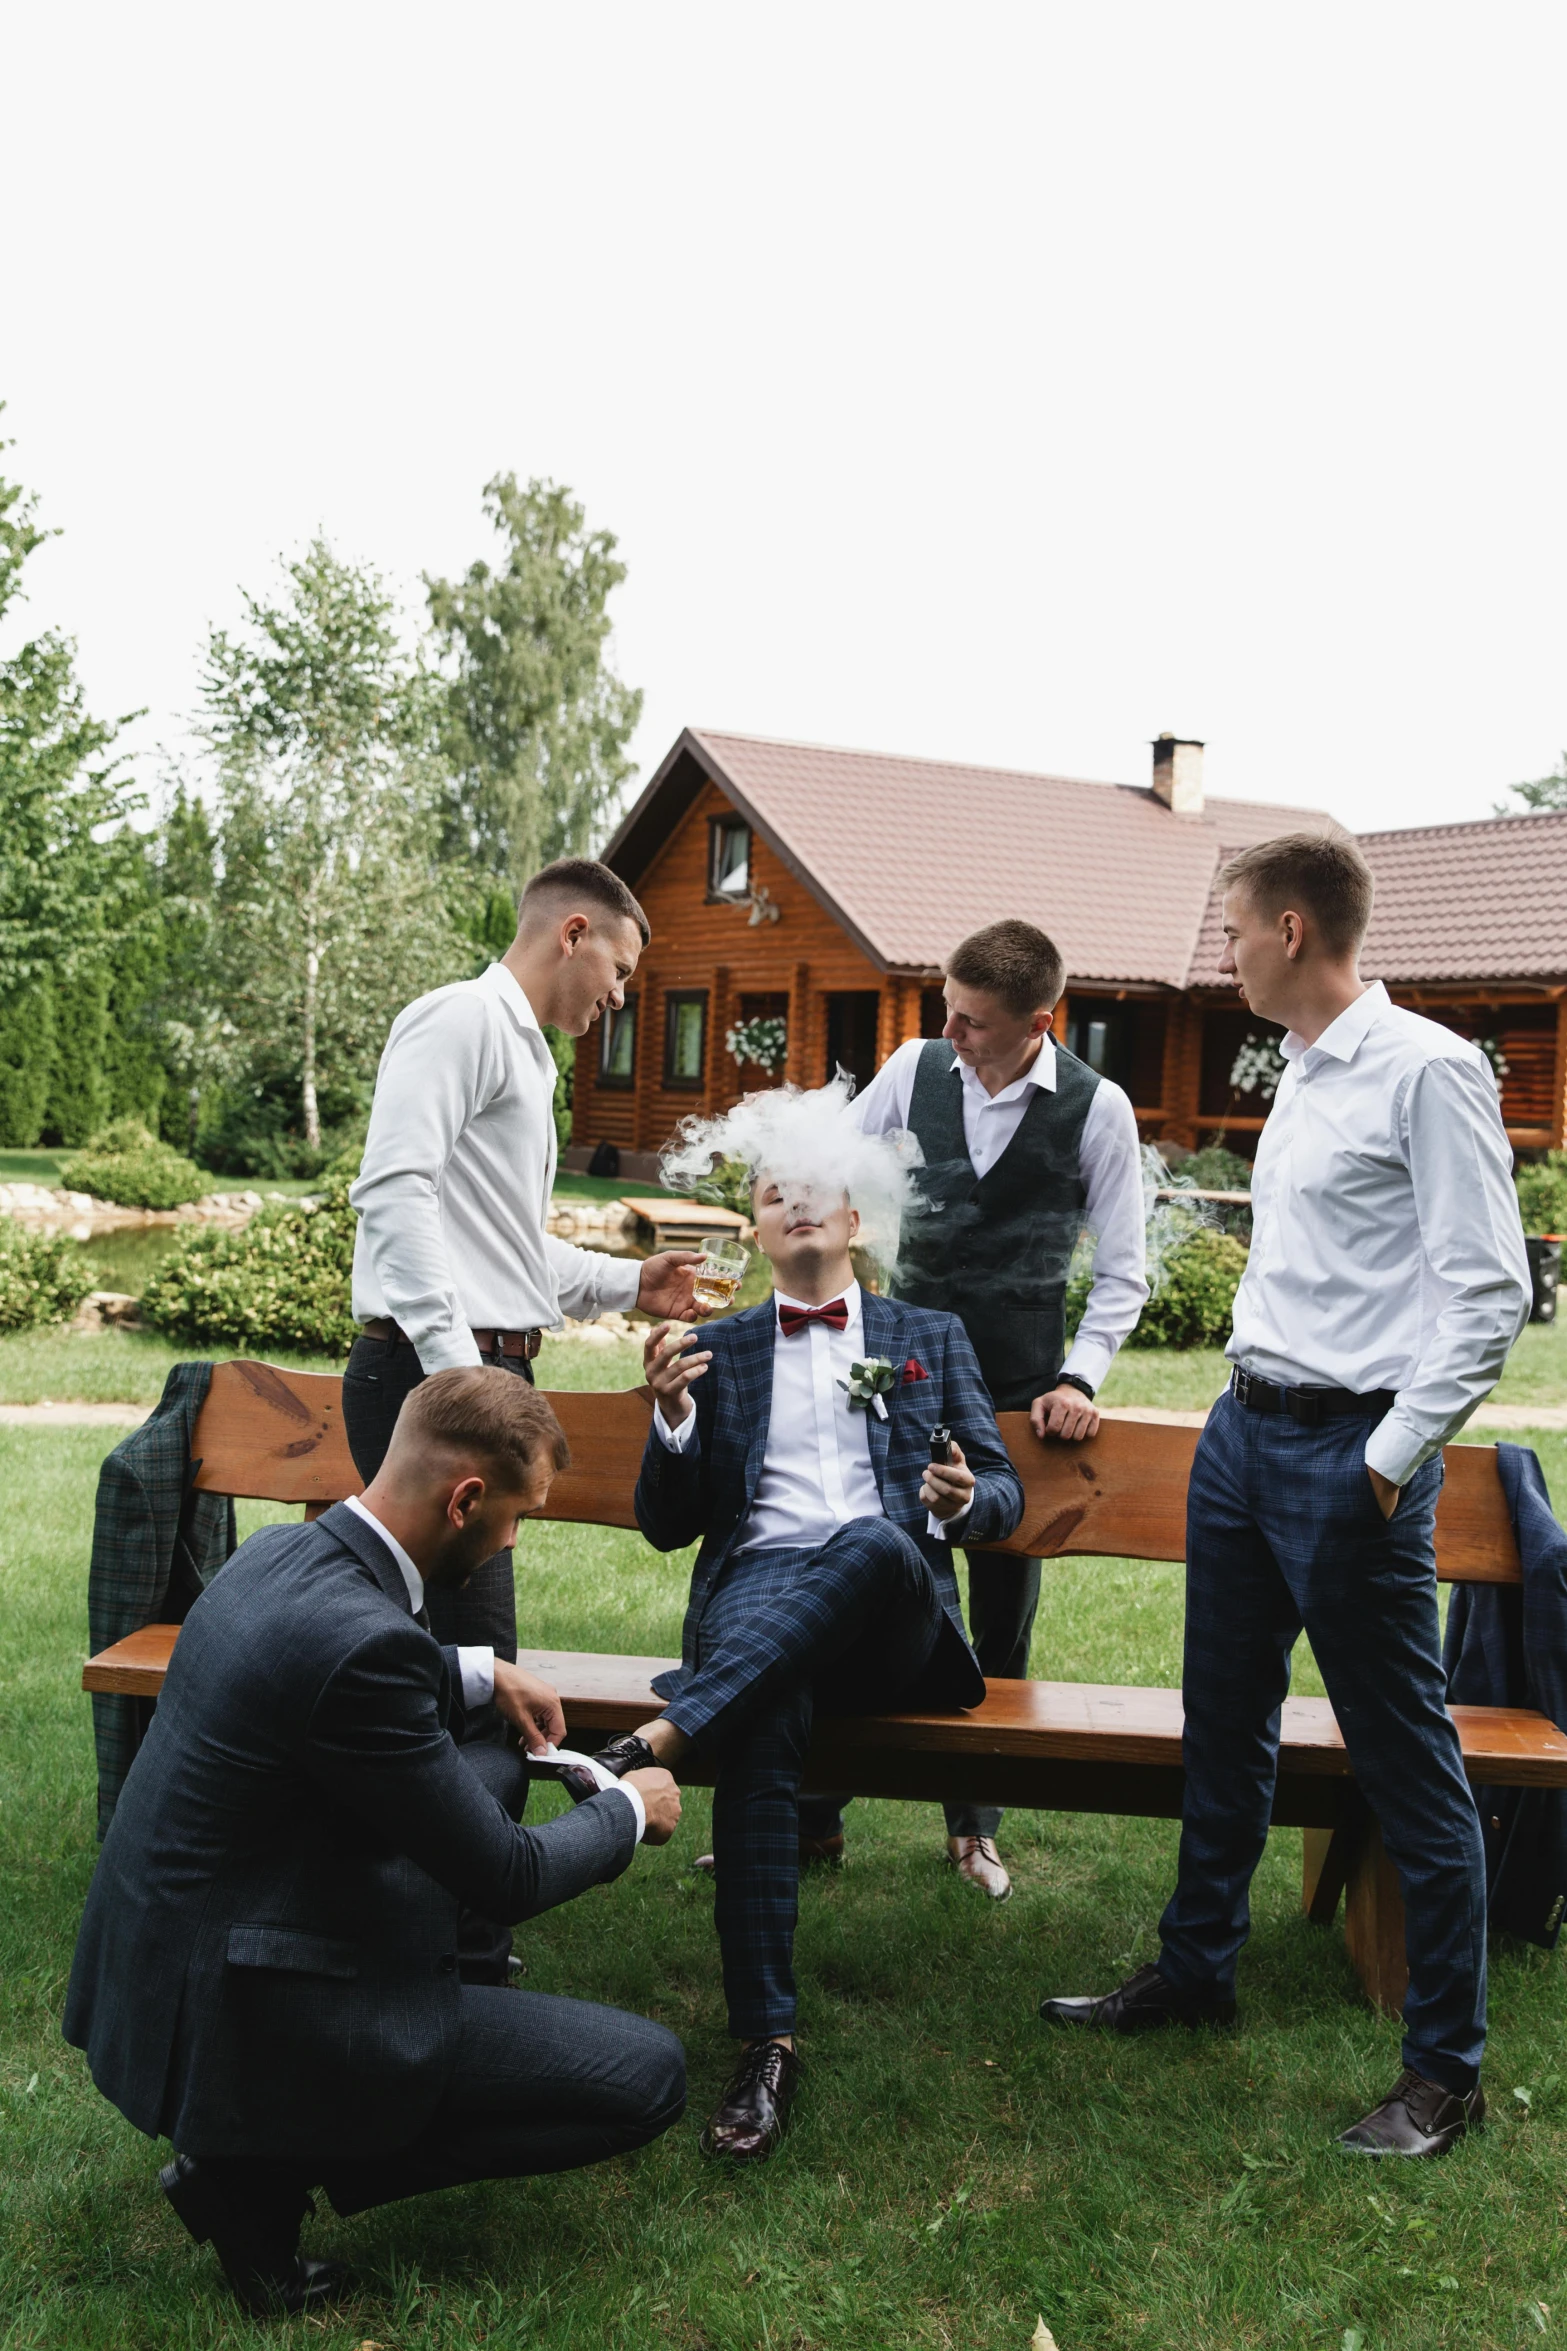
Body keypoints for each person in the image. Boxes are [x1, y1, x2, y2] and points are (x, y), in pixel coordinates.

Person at [1040, 833, 1532, 2160]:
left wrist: (1387, 1457)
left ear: (1295, 928)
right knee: (1225, 1719)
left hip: (1346, 1456)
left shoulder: (1425, 1068)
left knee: (1401, 1761)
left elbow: (1490, 1291)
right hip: (1242, 1436)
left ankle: (1441, 2070)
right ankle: (1194, 1968)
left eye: (1233, 927)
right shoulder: (1301, 1071)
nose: (1222, 950)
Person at [63, 1368, 685, 2315]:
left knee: (493, 1764)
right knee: (645, 2076)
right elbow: (508, 1873)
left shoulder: (280, 1554)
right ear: (466, 1498)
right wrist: (628, 1810)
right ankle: (268, 2167)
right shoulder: (360, 1648)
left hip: (167, 1956)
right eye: (519, 1516)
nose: (514, 1539)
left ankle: (316, 2103)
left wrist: (477, 1670)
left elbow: (323, 1673)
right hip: (242, 2012)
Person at [569, 1133, 1024, 2162]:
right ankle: (764, 2042)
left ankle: (661, 1734)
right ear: (761, 1231)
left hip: (892, 1607)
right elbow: (666, 1524)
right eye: (775, 1194)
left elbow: (1003, 1493)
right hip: (759, 1604)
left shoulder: (928, 1335)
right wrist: (674, 1418)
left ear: (856, 1219)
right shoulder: (718, 1350)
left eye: (816, 1190)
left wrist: (962, 1498)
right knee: (767, 1714)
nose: (796, 1203)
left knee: (865, 1538)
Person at [345, 856, 703, 1981]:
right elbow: (393, 1193)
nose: (622, 995)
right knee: (477, 1678)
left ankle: (424, 1928)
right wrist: (462, 1388)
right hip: (430, 1381)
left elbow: (503, 1250)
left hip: (465, 1379)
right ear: (575, 931)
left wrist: (625, 1285)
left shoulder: (525, 1057)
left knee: (452, 1671)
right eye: (624, 968)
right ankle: (462, 1951)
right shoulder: (459, 1021)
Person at [797, 918, 1149, 1898]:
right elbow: (821, 1176)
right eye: (946, 1010)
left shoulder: (1097, 1107)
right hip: (899, 1378)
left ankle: (973, 1825)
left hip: (1017, 1393)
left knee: (999, 1619)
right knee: (862, 1597)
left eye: (975, 1021)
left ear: (1040, 1021)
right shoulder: (914, 1067)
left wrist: (1078, 1378)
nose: (951, 1031)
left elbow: (1124, 1272)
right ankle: (814, 1816)